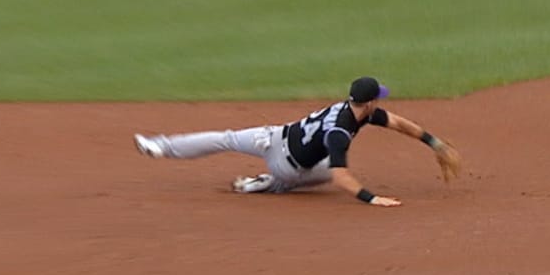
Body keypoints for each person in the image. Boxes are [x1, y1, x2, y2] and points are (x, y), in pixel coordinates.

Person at [133, 77, 462, 209]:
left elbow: (398, 123)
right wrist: (371, 198)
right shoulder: (340, 132)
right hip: (285, 163)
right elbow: (341, 175)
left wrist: (434, 142)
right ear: (370, 101)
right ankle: (271, 184)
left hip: (273, 135)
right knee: (324, 174)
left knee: (226, 138)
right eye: (379, 98)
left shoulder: (357, 111)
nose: (382, 103)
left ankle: (159, 146)